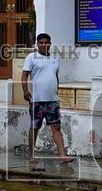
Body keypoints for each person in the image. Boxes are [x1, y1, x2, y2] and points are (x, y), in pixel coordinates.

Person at [22, 34, 74, 166]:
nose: (44, 45)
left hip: (52, 100)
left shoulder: (55, 58)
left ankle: (62, 155)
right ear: (37, 44)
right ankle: (31, 155)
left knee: (56, 127)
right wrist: (25, 91)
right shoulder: (31, 57)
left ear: (50, 43)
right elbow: (24, 75)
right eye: (41, 42)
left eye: (46, 42)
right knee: (34, 127)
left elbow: (55, 77)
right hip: (36, 100)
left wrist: (56, 92)